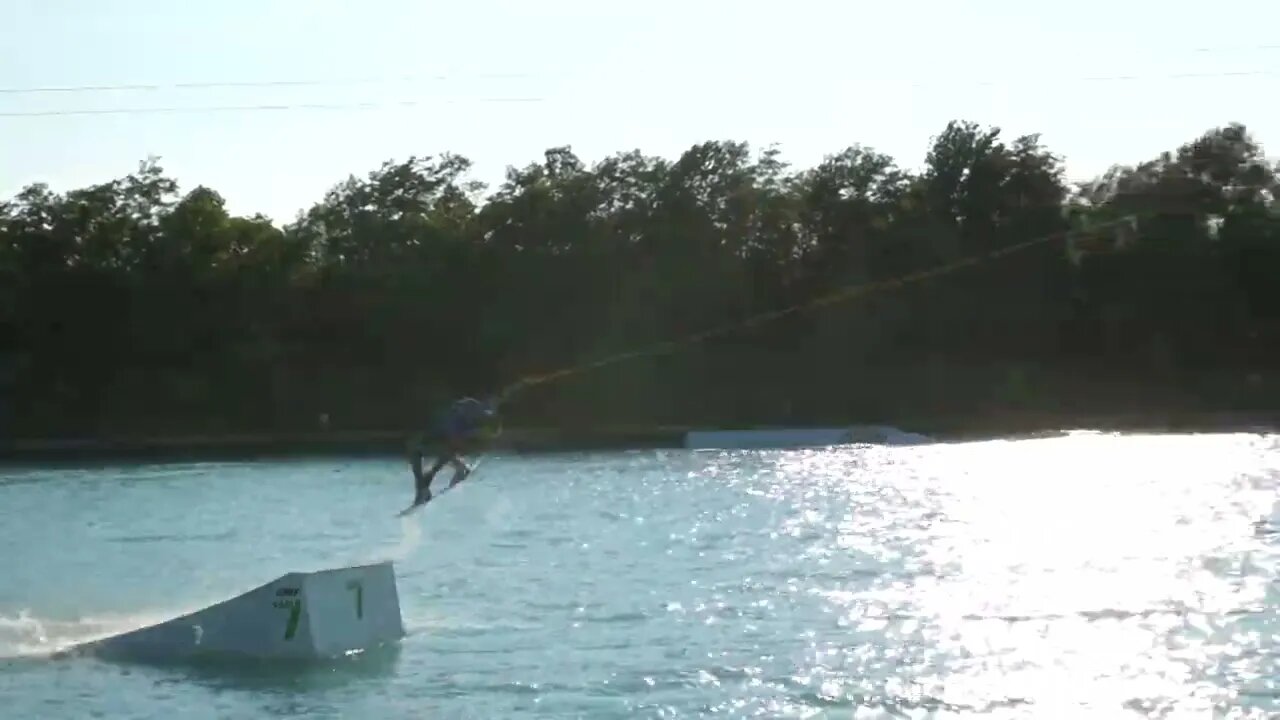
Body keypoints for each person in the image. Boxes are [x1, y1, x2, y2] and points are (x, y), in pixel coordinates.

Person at [409, 396, 501, 505]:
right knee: (419, 449)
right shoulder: (463, 416)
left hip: (453, 434)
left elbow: (453, 445)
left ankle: (424, 486)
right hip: (446, 432)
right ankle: (457, 468)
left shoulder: (470, 421)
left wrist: (430, 475)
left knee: (443, 447)